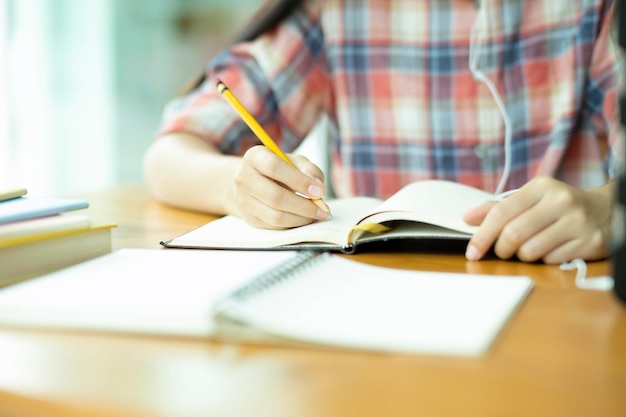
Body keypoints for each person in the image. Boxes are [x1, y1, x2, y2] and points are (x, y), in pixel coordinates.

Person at [143, 0, 623, 265]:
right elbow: (168, 157)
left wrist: (609, 208)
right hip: (373, 289)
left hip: (559, 284)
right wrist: (241, 188)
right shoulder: (334, 10)